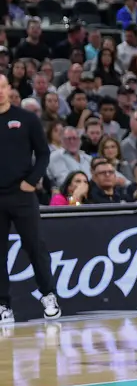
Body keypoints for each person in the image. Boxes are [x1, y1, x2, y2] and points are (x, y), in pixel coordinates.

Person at [0, 74, 61, 322]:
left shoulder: (26, 118)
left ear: (9, 88)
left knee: (35, 246)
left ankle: (48, 295)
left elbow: (44, 154)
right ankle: (3, 305)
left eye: (2, 87)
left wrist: (32, 180)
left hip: (22, 195)